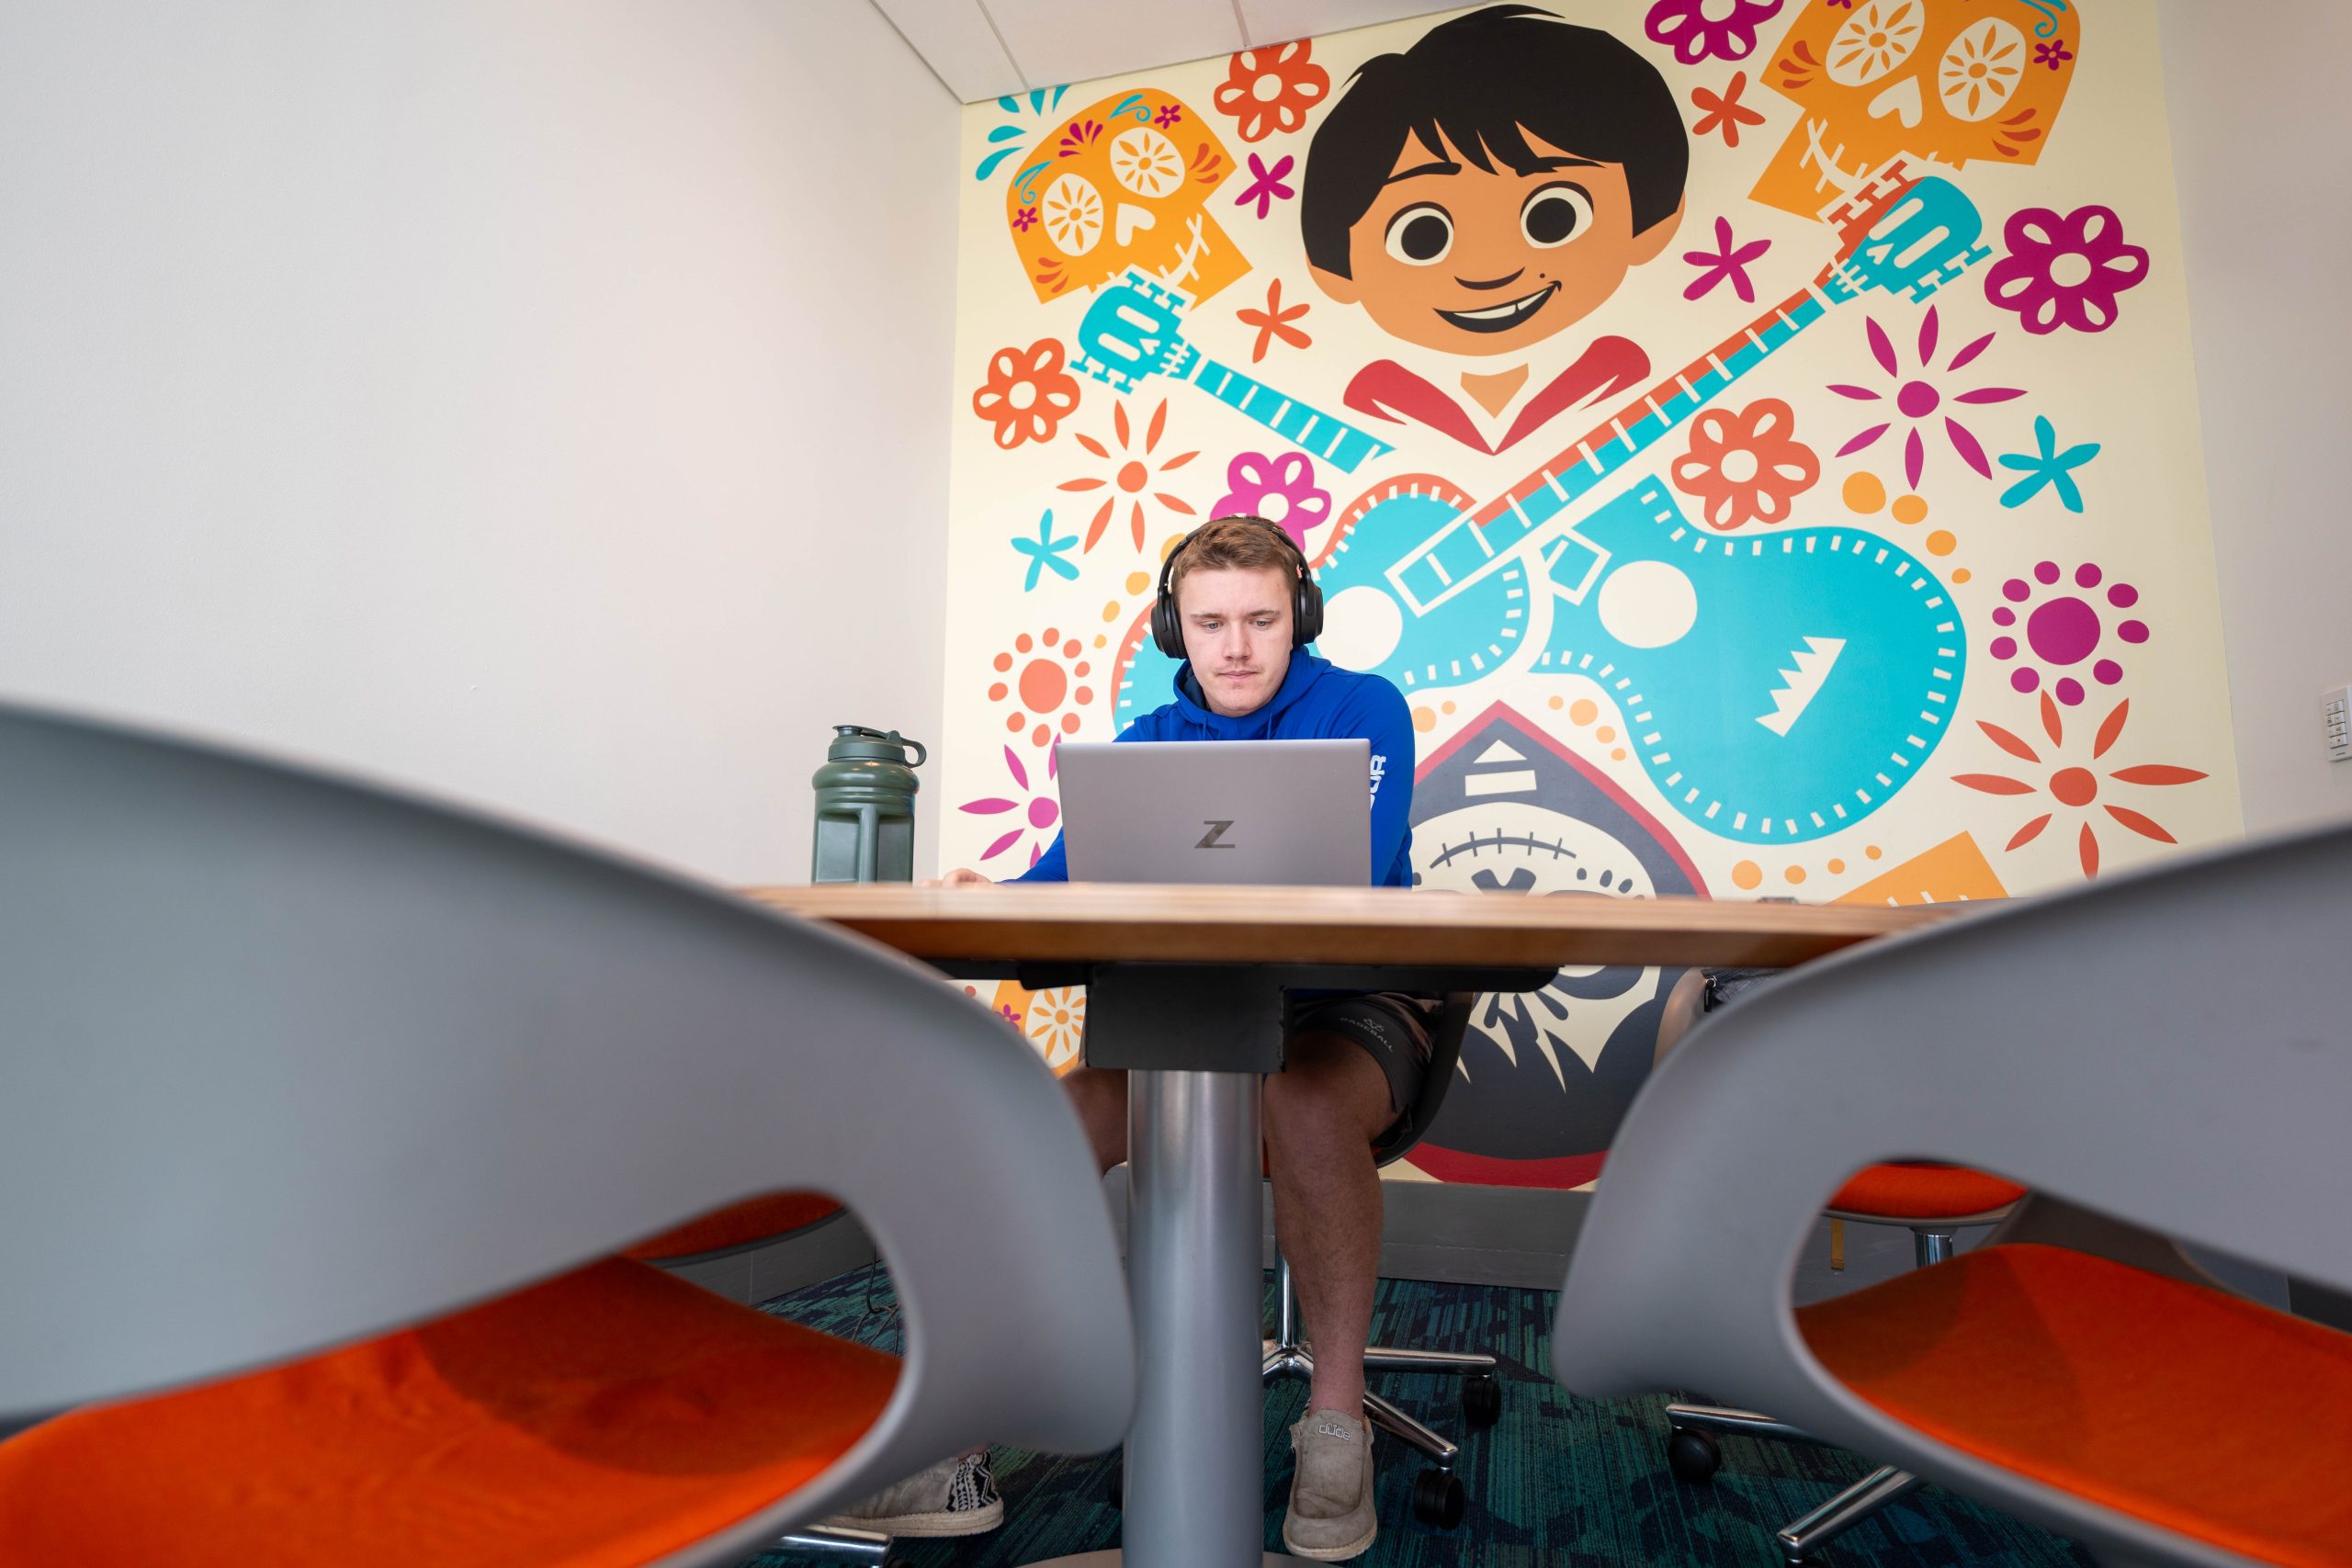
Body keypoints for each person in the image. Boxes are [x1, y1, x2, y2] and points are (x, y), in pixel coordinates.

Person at [830, 514, 1423, 1562]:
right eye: (1209, 624)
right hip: (1191, 1011)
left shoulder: (1361, 709)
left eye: (1259, 620)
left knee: (1306, 1101)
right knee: (1054, 1117)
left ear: (1300, 620)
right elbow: (1069, 875)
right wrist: (999, 896)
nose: (1235, 646)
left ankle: (1336, 1420)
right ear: (1172, 629)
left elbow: (1365, 880)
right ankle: (957, 1439)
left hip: (1343, 1005)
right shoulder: (1147, 740)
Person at [1300, 5, 1688, 454]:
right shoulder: (1367, 406)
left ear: (1652, 223)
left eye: (1554, 215)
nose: (1489, 270)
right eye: (1421, 235)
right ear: (1336, 269)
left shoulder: (1634, 379)